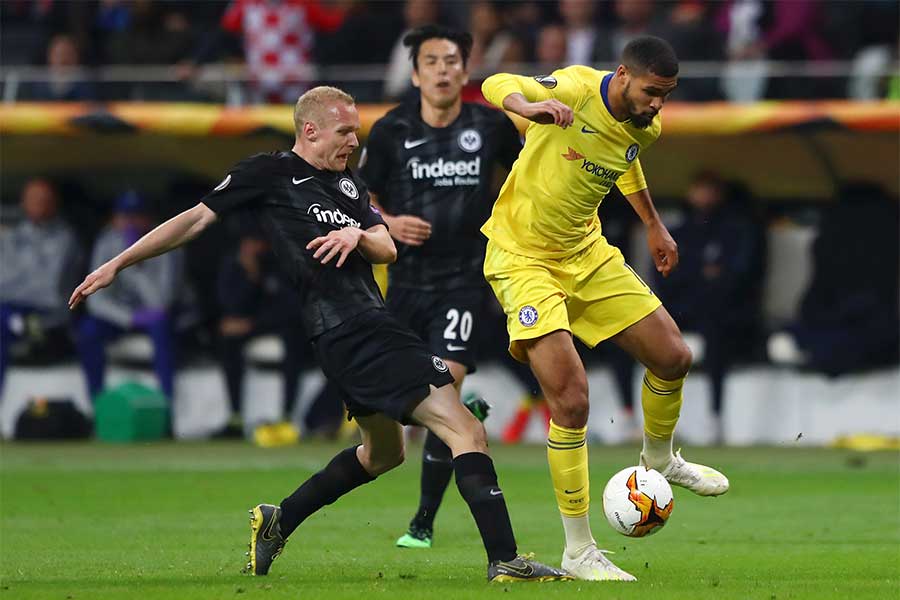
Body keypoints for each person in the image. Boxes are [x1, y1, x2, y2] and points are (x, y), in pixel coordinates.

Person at [68, 86, 567, 584]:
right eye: (345, 131)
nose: (354, 141)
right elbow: (195, 220)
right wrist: (117, 263)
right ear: (310, 130)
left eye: (356, 130)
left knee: (385, 454)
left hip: (354, 332)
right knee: (466, 429)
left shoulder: (347, 184)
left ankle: (278, 519)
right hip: (353, 329)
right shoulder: (268, 173)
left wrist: (357, 234)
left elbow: (386, 246)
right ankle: (505, 560)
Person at [479, 36, 730, 582]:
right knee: (571, 400)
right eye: (651, 92)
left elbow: (624, 160)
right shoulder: (572, 86)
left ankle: (659, 458)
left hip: (586, 253)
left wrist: (652, 222)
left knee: (673, 356)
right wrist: (525, 107)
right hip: (523, 258)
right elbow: (495, 83)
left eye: (666, 95)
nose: (658, 104)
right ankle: (578, 550)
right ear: (621, 75)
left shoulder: (645, 125)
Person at [359, 25, 522, 549]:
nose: (444, 69)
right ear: (415, 73)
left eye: (452, 60)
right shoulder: (389, 131)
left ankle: (423, 521)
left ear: (466, 71)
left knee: (442, 388)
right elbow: (354, 198)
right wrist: (389, 222)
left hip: (464, 281)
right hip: (405, 283)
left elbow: (525, 181)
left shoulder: (490, 127)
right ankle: (457, 438)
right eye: (432, 61)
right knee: (407, 403)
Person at [653, 172, 766, 441]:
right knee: (644, 330)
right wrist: (701, 275)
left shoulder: (736, 230)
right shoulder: (679, 231)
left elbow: (737, 277)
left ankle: (714, 417)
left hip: (726, 313)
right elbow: (664, 274)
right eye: (698, 188)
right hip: (684, 308)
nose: (701, 195)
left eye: (708, 188)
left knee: (714, 328)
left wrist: (698, 277)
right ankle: (653, 422)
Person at [75, 191, 183, 404]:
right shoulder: (106, 242)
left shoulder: (169, 241)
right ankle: (97, 405)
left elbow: (161, 301)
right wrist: (128, 317)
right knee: (88, 331)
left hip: (156, 315)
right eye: (125, 216)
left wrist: (135, 260)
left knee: (163, 329)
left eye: (136, 216)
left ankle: (166, 407)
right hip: (121, 316)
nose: (130, 222)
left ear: (148, 218)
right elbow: (95, 300)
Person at [215, 224, 306, 443]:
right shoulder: (232, 265)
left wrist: (253, 324)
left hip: (277, 325)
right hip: (249, 326)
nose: (251, 248)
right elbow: (230, 305)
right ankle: (235, 414)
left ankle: (287, 414)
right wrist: (251, 278)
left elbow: (289, 308)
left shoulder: (278, 264)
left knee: (293, 343)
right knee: (227, 341)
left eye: (256, 242)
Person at [0, 178, 82, 393]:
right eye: (33, 199)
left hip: (50, 319)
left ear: (54, 203)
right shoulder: (12, 236)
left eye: (44, 199)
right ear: (23, 203)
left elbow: (50, 291)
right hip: (11, 312)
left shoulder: (65, 238)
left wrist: (17, 284)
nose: (39, 204)